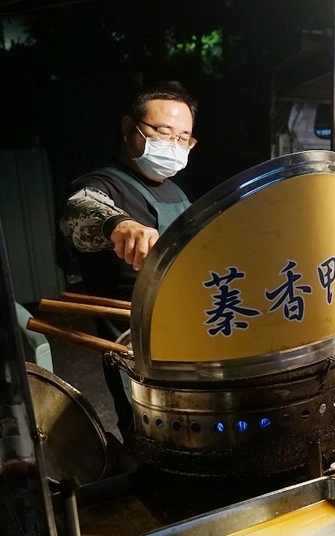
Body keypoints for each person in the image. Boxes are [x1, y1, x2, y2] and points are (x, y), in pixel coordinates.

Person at [59, 81, 197, 437]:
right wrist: (117, 225)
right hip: (136, 349)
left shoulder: (176, 190)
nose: (174, 145)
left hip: (190, 336)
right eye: (164, 132)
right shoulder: (102, 184)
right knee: (153, 436)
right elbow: (78, 212)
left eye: (184, 138)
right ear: (128, 128)